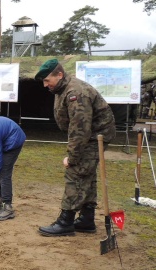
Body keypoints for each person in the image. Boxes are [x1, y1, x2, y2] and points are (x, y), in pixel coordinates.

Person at [35, 59, 116, 236]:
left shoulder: (75, 92)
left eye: (47, 80)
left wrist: (72, 158)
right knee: (87, 175)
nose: (45, 85)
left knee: (76, 173)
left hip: (93, 138)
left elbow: (80, 130)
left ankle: (66, 221)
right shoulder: (61, 88)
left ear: (60, 75)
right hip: (90, 136)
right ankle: (87, 219)